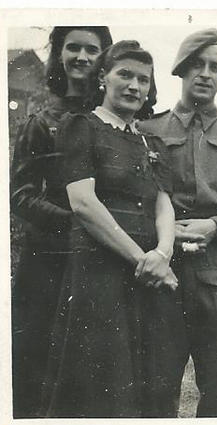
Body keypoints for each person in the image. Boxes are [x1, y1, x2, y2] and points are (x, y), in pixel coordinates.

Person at [41, 40, 186, 418]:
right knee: (100, 378)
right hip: (99, 272)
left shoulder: (150, 141)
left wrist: (163, 253)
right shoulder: (81, 127)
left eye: (143, 79)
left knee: (151, 378)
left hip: (150, 276)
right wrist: (144, 260)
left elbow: (163, 204)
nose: (134, 86)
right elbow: (83, 203)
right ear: (103, 77)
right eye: (125, 74)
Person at [136, 28, 217, 417]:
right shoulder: (147, 131)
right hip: (162, 273)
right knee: (155, 384)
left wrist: (215, 227)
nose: (206, 74)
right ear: (181, 70)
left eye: (215, 67)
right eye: (197, 65)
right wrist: (170, 231)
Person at [10, 26, 112, 418]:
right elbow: (21, 195)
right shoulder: (41, 120)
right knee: (37, 367)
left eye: (92, 49)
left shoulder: (113, 116)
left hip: (105, 258)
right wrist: (74, 223)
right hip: (49, 260)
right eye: (73, 48)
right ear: (59, 55)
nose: (82, 57)